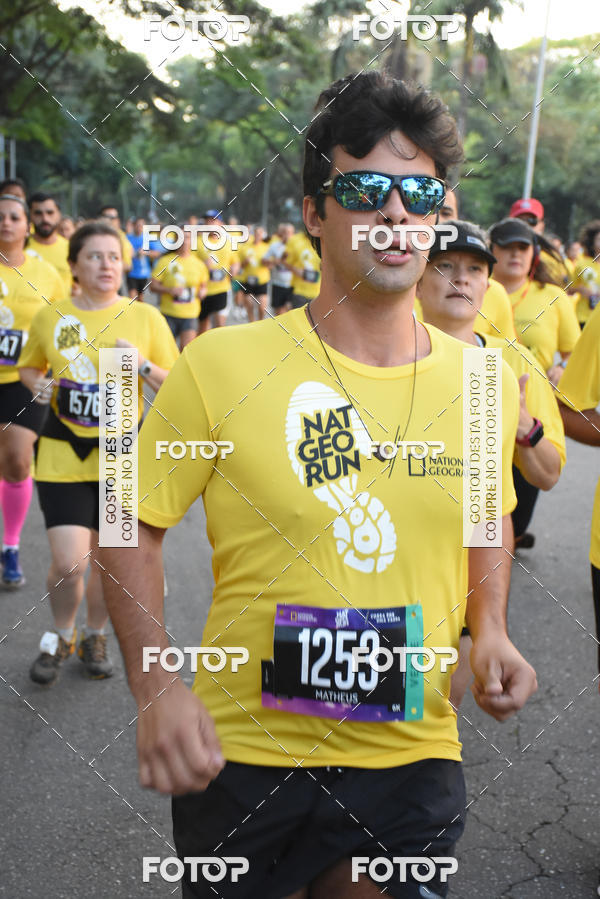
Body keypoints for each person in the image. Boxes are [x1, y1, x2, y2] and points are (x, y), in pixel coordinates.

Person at [99, 72, 537, 899]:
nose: (396, 214)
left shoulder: (484, 384)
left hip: (410, 754)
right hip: (242, 755)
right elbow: (125, 516)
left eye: (420, 194)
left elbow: (488, 519)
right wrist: (154, 686)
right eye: (366, 191)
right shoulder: (220, 363)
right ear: (313, 212)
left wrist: (491, 629)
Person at [19, 221, 178, 686]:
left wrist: (142, 365)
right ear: (73, 265)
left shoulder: (145, 318)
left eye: (114, 257)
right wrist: (38, 384)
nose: (106, 265)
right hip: (62, 451)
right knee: (70, 563)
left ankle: (95, 634)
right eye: (94, 256)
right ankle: (61, 634)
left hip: (120, 454)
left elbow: (176, 384)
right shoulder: (52, 317)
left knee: (111, 561)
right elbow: (29, 367)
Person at [417, 220, 565, 705]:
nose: (461, 278)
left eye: (475, 270)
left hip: (471, 568)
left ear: (487, 286)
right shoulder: (386, 356)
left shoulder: (509, 364)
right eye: (445, 266)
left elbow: (548, 473)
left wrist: (524, 426)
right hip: (398, 559)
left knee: (438, 708)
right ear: (417, 280)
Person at [0, 194, 64, 586]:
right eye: (0, 216)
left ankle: (10, 546)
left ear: (27, 226)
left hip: (25, 380)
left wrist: (62, 370)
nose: (6, 222)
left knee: (18, 461)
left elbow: (64, 326)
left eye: (14, 217)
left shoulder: (46, 275)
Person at [151, 226, 208, 349]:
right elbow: (153, 286)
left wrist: (203, 292)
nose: (184, 241)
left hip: (190, 314)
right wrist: (169, 290)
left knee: (186, 351)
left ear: (192, 240)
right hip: (169, 314)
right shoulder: (165, 261)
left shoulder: (199, 264)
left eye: (187, 237)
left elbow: (204, 286)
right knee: (168, 351)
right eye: (180, 238)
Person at [195, 210, 239, 332]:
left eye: (213, 221)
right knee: (203, 327)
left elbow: (235, 261)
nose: (209, 223)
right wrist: (202, 265)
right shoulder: (197, 242)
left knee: (219, 326)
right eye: (207, 221)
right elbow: (189, 262)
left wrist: (235, 268)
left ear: (221, 224)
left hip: (222, 289)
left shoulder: (228, 242)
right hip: (203, 290)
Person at [28, 192, 73, 295]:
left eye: (50, 213)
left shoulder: (72, 249)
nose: (45, 219)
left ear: (59, 215)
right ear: (30, 215)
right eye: (38, 213)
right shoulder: (20, 249)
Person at [237, 225, 271, 321]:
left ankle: (260, 322)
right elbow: (239, 265)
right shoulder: (245, 247)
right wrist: (245, 262)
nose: (258, 236)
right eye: (256, 233)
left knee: (262, 307)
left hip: (262, 280)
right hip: (248, 280)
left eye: (260, 234)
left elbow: (271, 264)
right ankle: (252, 323)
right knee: (249, 305)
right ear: (253, 234)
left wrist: (267, 263)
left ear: (263, 235)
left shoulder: (266, 247)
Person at [570, 220, 600, 329]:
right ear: (592, 242)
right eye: (599, 239)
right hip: (584, 317)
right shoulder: (582, 264)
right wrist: (580, 289)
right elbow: (569, 289)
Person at [283, 228, 321, 308]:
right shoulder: (295, 240)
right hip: (299, 292)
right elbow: (285, 261)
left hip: (319, 293)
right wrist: (302, 273)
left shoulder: (324, 240)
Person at [263, 222, 295, 314]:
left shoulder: (296, 247)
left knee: (290, 310)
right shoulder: (275, 246)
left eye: (290, 233)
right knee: (278, 313)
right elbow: (264, 261)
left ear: (293, 234)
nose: (287, 235)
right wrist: (274, 262)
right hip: (278, 284)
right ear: (281, 234)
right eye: (285, 232)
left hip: (292, 285)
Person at [127, 216, 161, 301]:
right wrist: (128, 254)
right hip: (131, 272)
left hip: (144, 273)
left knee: (140, 298)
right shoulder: (128, 238)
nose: (140, 228)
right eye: (138, 225)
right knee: (132, 298)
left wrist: (146, 252)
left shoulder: (147, 238)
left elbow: (157, 253)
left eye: (142, 226)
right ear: (134, 226)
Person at [98, 205, 133, 282]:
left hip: (116, 279)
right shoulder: (93, 237)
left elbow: (127, 265)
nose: (112, 220)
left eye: (114, 217)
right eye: (108, 217)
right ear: (100, 218)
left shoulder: (121, 235)